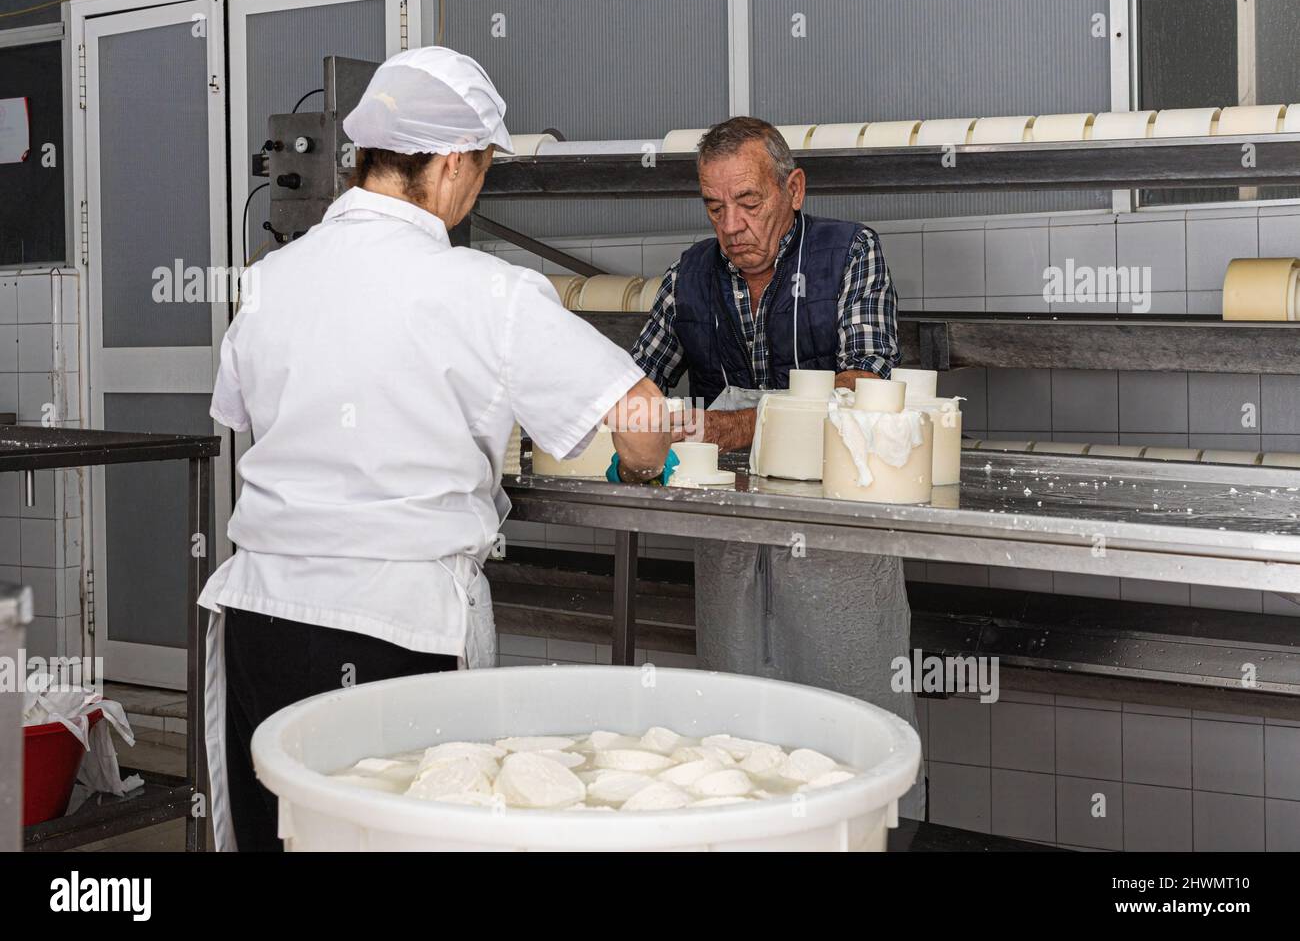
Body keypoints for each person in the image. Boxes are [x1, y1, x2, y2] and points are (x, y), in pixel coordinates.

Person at [199, 47, 673, 850]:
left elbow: (248, 416)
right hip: (393, 633)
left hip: (261, 618)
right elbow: (643, 413)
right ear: (453, 164)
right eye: (484, 168)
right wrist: (638, 466)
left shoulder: (272, 279)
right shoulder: (485, 291)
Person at [631, 116, 924, 817]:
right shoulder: (690, 277)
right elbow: (633, 383)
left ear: (792, 189)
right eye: (713, 206)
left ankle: (867, 829)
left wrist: (722, 426)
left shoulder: (849, 254)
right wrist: (626, 435)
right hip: (732, 539)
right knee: (740, 726)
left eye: (749, 202)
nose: (730, 225)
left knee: (849, 716)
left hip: (836, 536)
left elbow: (860, 395)